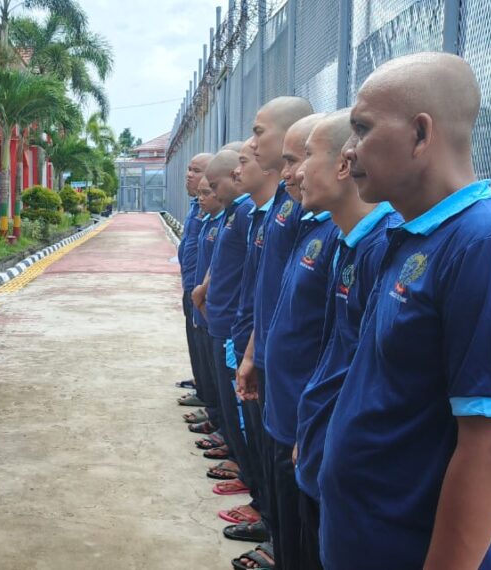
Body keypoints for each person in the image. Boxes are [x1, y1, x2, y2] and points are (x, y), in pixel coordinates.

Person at [319, 53, 491, 569]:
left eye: (361, 128)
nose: (349, 150)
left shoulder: (489, 248)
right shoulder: (404, 239)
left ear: (421, 135)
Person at [292, 110, 402, 569]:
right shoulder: (350, 242)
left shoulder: (382, 245)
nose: (296, 172)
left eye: (306, 157)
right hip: (326, 445)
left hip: (363, 478)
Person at [252, 113, 340, 570]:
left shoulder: (354, 239)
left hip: (310, 423)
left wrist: (312, 426)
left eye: (302, 158)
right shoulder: (307, 222)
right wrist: (252, 350)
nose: (296, 172)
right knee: (288, 524)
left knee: (306, 534)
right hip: (286, 406)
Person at [195, 150, 257, 505]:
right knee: (229, 404)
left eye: (212, 186)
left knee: (244, 411)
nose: (210, 195)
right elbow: (220, 263)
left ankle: (248, 476)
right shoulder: (237, 213)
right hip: (219, 318)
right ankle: (237, 455)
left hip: (237, 328)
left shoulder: (249, 214)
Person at [177, 153, 216, 411]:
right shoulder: (196, 206)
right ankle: (201, 383)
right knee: (195, 341)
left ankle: (208, 395)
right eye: (189, 169)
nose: (189, 175)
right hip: (190, 284)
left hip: (202, 289)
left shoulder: (214, 210)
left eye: (196, 170)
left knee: (205, 345)